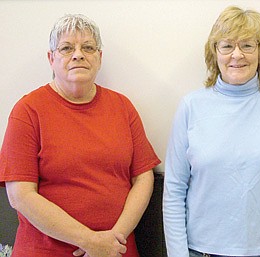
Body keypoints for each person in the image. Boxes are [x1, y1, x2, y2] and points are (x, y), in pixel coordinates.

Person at [0, 14, 161, 257]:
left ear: (99, 57)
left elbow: (143, 178)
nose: (78, 54)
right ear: (51, 58)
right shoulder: (28, 111)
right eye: (66, 48)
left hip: (116, 251)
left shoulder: (122, 107)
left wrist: (112, 241)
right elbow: (20, 196)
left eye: (88, 47)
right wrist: (89, 241)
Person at [163, 6, 260, 257]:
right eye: (227, 46)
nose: (237, 55)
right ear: (214, 52)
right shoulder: (191, 106)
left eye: (247, 45)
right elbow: (174, 190)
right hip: (202, 251)